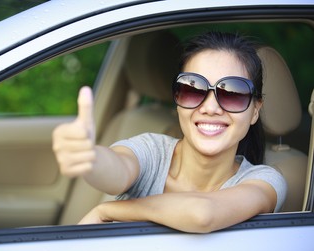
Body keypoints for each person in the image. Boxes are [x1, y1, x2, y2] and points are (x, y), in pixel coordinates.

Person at [52, 31, 287, 233]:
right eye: (193, 89)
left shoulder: (264, 181)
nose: (210, 108)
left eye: (233, 93)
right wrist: (91, 157)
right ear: (177, 100)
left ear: (255, 111)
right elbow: (117, 169)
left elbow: (203, 214)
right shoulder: (152, 151)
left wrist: (108, 211)